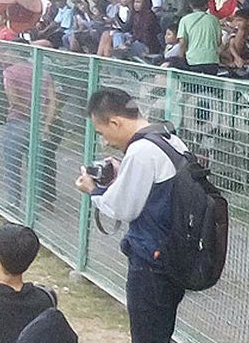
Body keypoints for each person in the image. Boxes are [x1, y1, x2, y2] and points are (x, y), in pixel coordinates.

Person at [75, 88, 191, 343]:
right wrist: (121, 174)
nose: (105, 141)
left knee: (147, 336)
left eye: (102, 132)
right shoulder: (168, 138)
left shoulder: (140, 152)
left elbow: (123, 208)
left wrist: (93, 190)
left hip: (151, 262)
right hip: (173, 256)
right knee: (161, 332)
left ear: (115, 122)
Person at [1, 47, 57, 208]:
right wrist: (45, 123)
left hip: (18, 122)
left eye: (7, 52)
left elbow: (13, 99)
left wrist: (29, 112)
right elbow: (52, 101)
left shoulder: (10, 72)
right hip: (40, 124)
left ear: (14, 53)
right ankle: (38, 202)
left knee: (12, 164)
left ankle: (13, 201)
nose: (4, 55)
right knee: (38, 165)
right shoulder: (43, 73)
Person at [177, 0, 221, 75]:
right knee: (210, 87)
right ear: (206, 4)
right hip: (212, 60)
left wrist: (180, 57)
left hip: (193, 60)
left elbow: (182, 42)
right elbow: (219, 41)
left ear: (190, 5)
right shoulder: (214, 20)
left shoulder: (185, 20)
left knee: (193, 87)